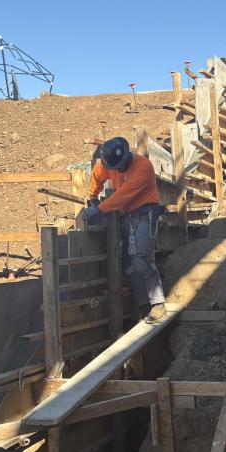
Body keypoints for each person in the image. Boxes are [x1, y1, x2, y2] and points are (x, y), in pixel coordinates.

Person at [80, 136, 168, 323]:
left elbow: (123, 195)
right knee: (128, 263)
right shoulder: (108, 163)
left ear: (127, 155)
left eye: (120, 166)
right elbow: (97, 176)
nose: (118, 169)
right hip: (127, 215)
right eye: (115, 167)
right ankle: (144, 305)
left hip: (145, 213)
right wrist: (93, 196)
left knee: (141, 259)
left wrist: (99, 209)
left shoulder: (143, 167)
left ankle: (158, 304)